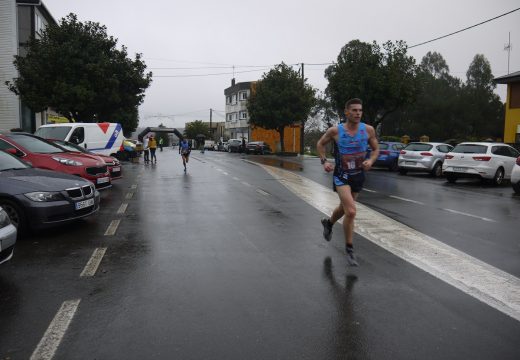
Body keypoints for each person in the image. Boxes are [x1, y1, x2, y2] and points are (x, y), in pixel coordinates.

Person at [316, 98, 379, 266]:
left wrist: (371, 161)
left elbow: (376, 149)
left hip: (358, 175)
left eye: (360, 110)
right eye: (354, 110)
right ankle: (349, 249)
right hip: (341, 175)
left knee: (344, 209)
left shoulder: (368, 130)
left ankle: (328, 223)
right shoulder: (335, 131)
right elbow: (320, 144)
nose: (358, 113)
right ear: (346, 112)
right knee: (351, 211)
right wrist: (325, 161)